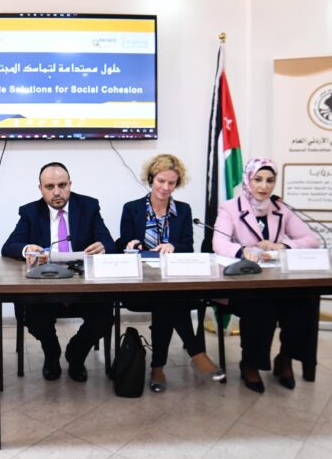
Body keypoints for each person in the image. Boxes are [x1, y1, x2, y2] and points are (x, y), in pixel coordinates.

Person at [115, 154, 225, 391]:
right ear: (151, 179)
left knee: (166, 299)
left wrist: (173, 246)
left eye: (171, 183)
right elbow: (123, 242)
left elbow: (188, 246)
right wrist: (131, 243)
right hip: (140, 283)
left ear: (177, 184)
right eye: (161, 181)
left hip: (174, 280)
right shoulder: (132, 208)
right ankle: (196, 353)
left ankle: (158, 367)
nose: (165, 187)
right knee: (167, 300)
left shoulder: (183, 210)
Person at [212, 157, 321, 393]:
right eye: (258, 179)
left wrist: (284, 246)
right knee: (262, 306)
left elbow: (312, 239)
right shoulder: (230, 208)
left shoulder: (281, 208)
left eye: (270, 180)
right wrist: (243, 251)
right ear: (248, 180)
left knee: (305, 301)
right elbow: (219, 243)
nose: (264, 186)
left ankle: (285, 358)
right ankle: (250, 363)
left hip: (276, 281)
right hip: (241, 283)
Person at [1, 162, 116, 382]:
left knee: (103, 316)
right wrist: (27, 249)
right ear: (40, 189)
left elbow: (110, 243)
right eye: (49, 186)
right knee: (33, 316)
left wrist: (103, 247)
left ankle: (77, 353)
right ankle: (51, 353)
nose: (56, 192)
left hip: (83, 285)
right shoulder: (30, 212)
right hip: (46, 286)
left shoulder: (89, 207)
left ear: (70, 184)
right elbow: (9, 247)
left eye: (62, 185)